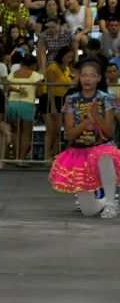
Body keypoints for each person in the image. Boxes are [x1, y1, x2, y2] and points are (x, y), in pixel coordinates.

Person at [49, 59, 119, 219]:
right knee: (88, 211)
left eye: (92, 75)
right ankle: (105, 200)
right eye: (84, 75)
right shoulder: (71, 100)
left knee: (106, 156)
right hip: (79, 152)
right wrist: (87, 120)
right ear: (78, 77)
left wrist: (97, 118)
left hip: (101, 147)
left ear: (99, 78)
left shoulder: (106, 98)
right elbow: (69, 135)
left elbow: (109, 133)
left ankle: (110, 203)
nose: (88, 79)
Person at [6, 54, 43, 166]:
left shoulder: (12, 74)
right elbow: (40, 93)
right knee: (26, 134)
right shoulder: (36, 75)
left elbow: (7, 88)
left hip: (12, 104)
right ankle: (22, 160)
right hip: (27, 104)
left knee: (15, 132)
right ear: (32, 64)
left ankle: (16, 157)